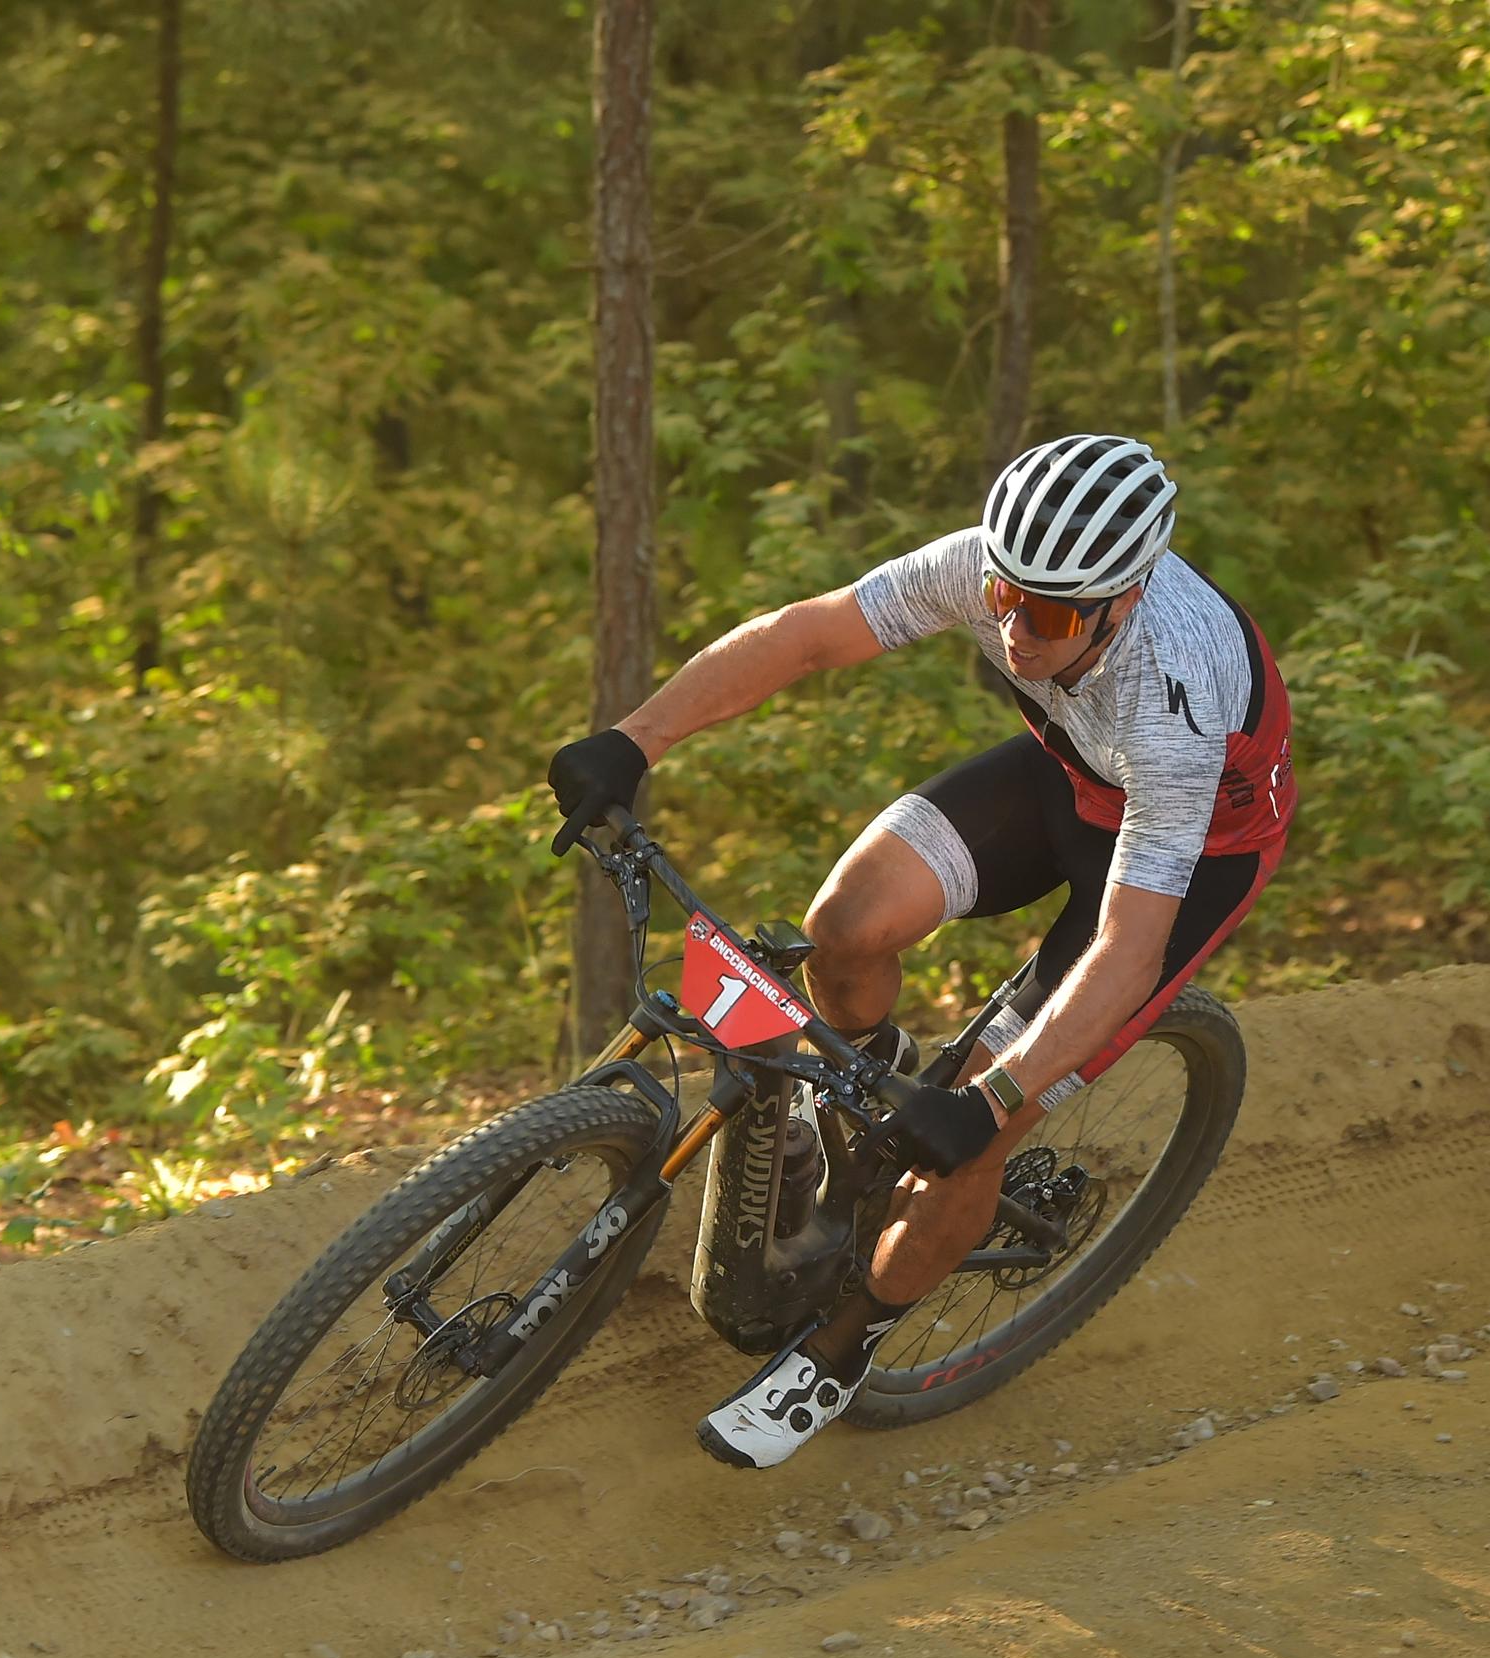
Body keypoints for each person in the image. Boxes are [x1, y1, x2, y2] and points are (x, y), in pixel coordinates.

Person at [545, 433, 1294, 1468]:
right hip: (1070, 774)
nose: (1012, 628)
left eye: (1048, 616)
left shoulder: (1174, 695)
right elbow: (808, 634)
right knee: (846, 927)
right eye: (1002, 595)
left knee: (989, 1116)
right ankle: (863, 1104)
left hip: (1191, 847)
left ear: (1121, 603)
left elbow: (1126, 951)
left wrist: (989, 1102)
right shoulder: (1002, 573)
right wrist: (636, 739)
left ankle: (845, 1348)